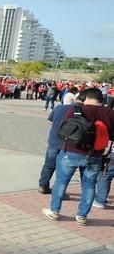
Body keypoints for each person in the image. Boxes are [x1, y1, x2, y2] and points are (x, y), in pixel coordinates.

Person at [43, 88, 114, 225]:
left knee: (61, 182)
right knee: (89, 185)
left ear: (85, 97)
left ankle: (54, 211)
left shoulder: (76, 109)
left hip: (71, 152)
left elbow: (65, 130)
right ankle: (82, 216)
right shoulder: (109, 113)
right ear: (100, 99)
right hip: (95, 155)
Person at [38, 95, 83, 194]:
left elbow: (51, 121)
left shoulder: (58, 107)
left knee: (49, 165)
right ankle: (58, 191)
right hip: (68, 144)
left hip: (54, 140)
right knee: (63, 168)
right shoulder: (80, 111)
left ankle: (43, 185)